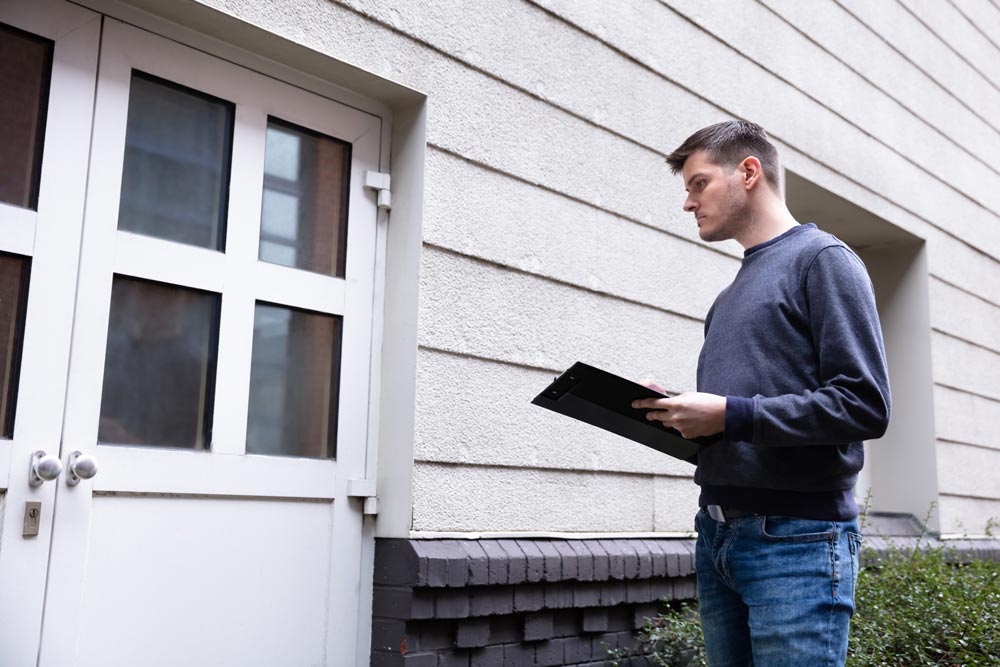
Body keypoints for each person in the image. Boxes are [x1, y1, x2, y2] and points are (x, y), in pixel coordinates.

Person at [631, 120, 891, 667]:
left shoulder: (823, 261)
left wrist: (730, 414)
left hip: (796, 542)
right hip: (718, 535)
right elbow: (741, 421)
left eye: (698, 183)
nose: (687, 202)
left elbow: (864, 403)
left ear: (748, 172)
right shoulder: (728, 298)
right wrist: (678, 412)